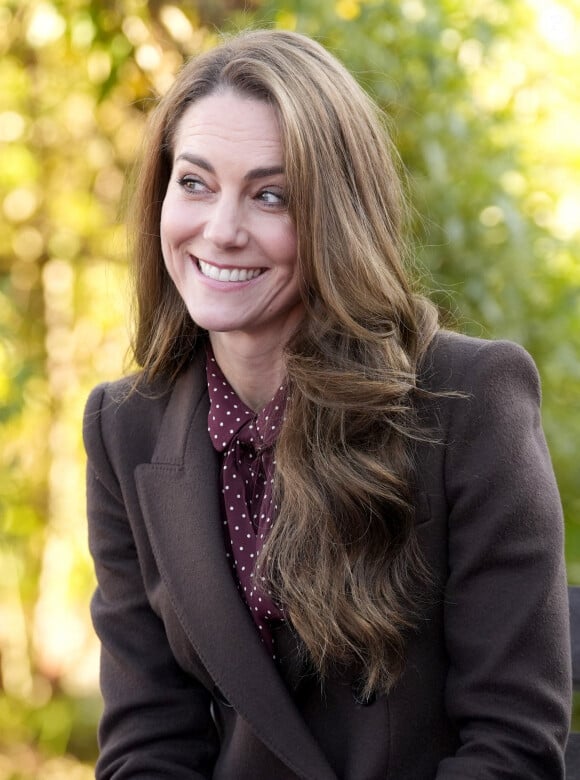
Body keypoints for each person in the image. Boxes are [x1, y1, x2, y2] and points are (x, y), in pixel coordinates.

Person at [83, 28, 571, 779]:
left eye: (271, 194)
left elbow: (511, 744)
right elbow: (150, 744)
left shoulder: (469, 400)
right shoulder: (125, 428)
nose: (222, 229)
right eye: (195, 182)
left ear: (337, 216)